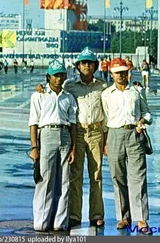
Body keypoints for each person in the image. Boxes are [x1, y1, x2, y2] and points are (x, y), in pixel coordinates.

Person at [101, 58, 152, 234]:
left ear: (128, 72)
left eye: (123, 72)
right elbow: (105, 120)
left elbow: (147, 112)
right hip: (114, 135)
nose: (121, 75)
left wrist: (143, 120)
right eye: (117, 72)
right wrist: (105, 142)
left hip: (134, 134)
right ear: (111, 74)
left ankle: (141, 218)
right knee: (118, 177)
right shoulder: (106, 94)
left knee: (138, 177)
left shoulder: (136, 91)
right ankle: (123, 216)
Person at [28, 60, 77, 232]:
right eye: (56, 75)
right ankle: (41, 221)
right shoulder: (39, 95)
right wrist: (35, 147)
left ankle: (59, 222)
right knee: (45, 179)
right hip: (46, 134)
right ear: (48, 77)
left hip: (64, 135)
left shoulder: (68, 97)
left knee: (64, 181)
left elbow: (73, 124)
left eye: (62, 75)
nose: (59, 78)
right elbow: (33, 123)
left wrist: (73, 148)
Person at [63, 47, 107, 228]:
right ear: (78, 66)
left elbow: (107, 112)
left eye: (90, 63)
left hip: (96, 132)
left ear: (95, 66)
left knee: (96, 175)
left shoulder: (103, 86)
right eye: (83, 63)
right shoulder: (70, 86)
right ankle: (74, 214)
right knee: (75, 175)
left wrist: (106, 139)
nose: (86, 66)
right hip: (78, 133)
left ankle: (96, 214)